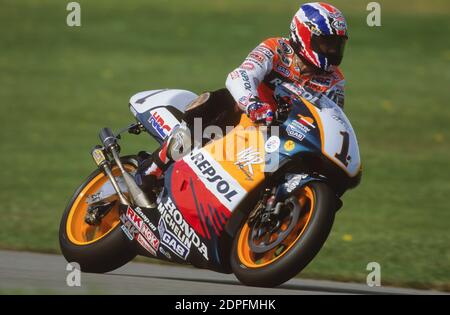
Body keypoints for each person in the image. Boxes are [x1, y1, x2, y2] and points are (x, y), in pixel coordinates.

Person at [136, 2, 348, 193]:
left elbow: (329, 121)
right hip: (247, 117)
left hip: (280, 135)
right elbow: (241, 75)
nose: (332, 50)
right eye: (326, 43)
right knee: (217, 101)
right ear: (303, 34)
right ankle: (153, 168)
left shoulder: (335, 81)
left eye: (337, 44)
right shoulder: (276, 48)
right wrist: (252, 104)